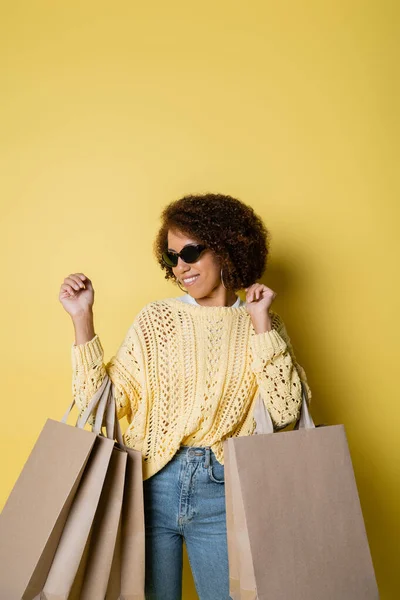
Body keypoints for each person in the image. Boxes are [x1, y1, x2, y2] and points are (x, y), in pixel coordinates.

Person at [59, 192, 312, 600]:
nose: (181, 267)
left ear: (227, 248)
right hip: (149, 484)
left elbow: (285, 413)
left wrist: (262, 323)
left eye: (191, 252)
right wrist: (82, 319)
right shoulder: (156, 319)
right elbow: (100, 404)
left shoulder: (263, 324)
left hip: (224, 487)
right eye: (171, 257)